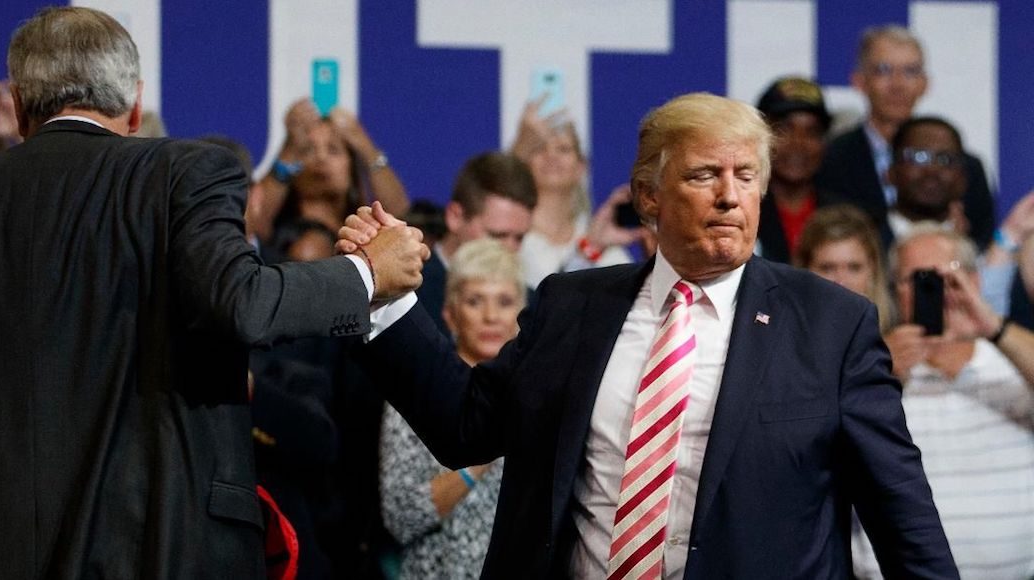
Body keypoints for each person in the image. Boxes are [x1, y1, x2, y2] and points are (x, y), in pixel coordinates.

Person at [0, 7, 426, 579]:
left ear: (20, 103)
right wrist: (365, 273)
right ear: (134, 104)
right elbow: (242, 304)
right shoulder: (184, 172)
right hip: (151, 551)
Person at [338, 92, 955, 578]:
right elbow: (464, 425)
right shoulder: (573, 306)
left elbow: (900, 511)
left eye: (746, 176)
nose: (729, 197)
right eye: (705, 175)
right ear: (648, 197)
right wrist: (384, 299)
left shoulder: (829, 324)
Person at [853, 226, 1034, 579]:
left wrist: (993, 325)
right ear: (896, 292)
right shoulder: (874, 369)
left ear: (975, 282)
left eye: (949, 276)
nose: (938, 291)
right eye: (919, 279)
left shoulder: (1013, 361)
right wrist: (877, 374)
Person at [379, 238, 523, 579]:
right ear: (450, 314)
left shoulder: (538, 395)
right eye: (475, 301)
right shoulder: (417, 391)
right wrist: (481, 452)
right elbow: (400, 518)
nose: (491, 316)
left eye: (504, 302)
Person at [815, 25, 995, 251]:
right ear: (859, 81)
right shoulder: (830, 160)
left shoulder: (966, 167)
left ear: (925, 84)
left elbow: (983, 251)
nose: (898, 85)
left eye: (910, 71)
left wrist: (959, 244)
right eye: (883, 70)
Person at [510, 103, 642, 288]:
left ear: (582, 167)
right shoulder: (508, 239)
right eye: (539, 148)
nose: (551, 156)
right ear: (524, 162)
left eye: (563, 149)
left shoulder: (605, 243)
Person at [415, 151, 536, 337]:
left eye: (519, 238)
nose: (509, 249)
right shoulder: (410, 296)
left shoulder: (533, 305)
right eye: (497, 235)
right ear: (455, 217)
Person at [255, 99, 409, 242]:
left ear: (351, 169)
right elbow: (253, 222)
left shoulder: (367, 235)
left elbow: (401, 221)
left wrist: (364, 145)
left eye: (333, 150)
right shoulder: (274, 236)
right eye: (307, 150)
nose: (321, 158)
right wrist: (288, 151)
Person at [754, 77, 843, 264]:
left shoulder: (844, 214)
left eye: (812, 132)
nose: (798, 143)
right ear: (760, 135)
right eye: (784, 129)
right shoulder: (739, 211)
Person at [795, 204, 894, 329]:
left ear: (873, 270)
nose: (841, 282)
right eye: (827, 268)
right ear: (804, 269)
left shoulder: (895, 338)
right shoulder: (782, 339)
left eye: (854, 268)